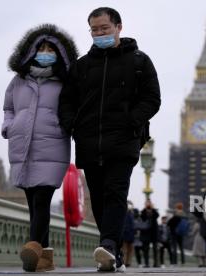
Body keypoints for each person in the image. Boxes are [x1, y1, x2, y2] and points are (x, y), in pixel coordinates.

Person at [58, 7, 161, 272]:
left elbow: (152, 98)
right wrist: (73, 126)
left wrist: (131, 121)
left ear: (118, 27)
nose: (99, 33)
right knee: (100, 198)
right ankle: (111, 252)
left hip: (124, 140)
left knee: (116, 192)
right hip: (90, 141)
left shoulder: (139, 61)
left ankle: (109, 246)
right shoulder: (82, 66)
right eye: (94, 29)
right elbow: (67, 101)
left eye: (104, 28)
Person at [2, 24, 78, 272]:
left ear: (60, 53)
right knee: (33, 201)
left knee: (42, 199)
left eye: (51, 49)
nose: (45, 52)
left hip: (52, 146)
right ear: (31, 51)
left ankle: (33, 247)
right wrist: (8, 126)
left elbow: (72, 109)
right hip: (22, 147)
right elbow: (9, 108)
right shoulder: (18, 81)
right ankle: (44, 259)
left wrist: (64, 126)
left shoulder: (65, 82)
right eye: (41, 48)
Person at [140, 200, 160, 268]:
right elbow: (142, 218)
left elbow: (157, 216)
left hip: (154, 232)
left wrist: (152, 209)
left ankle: (156, 263)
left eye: (149, 203)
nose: (148, 204)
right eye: (147, 203)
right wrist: (146, 210)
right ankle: (146, 263)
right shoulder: (143, 211)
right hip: (146, 232)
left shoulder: (154, 210)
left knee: (155, 248)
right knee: (146, 249)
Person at [121, 201, 135, 267]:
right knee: (124, 249)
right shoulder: (122, 212)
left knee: (130, 249)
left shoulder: (132, 213)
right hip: (125, 233)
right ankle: (124, 262)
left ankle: (128, 262)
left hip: (131, 233)